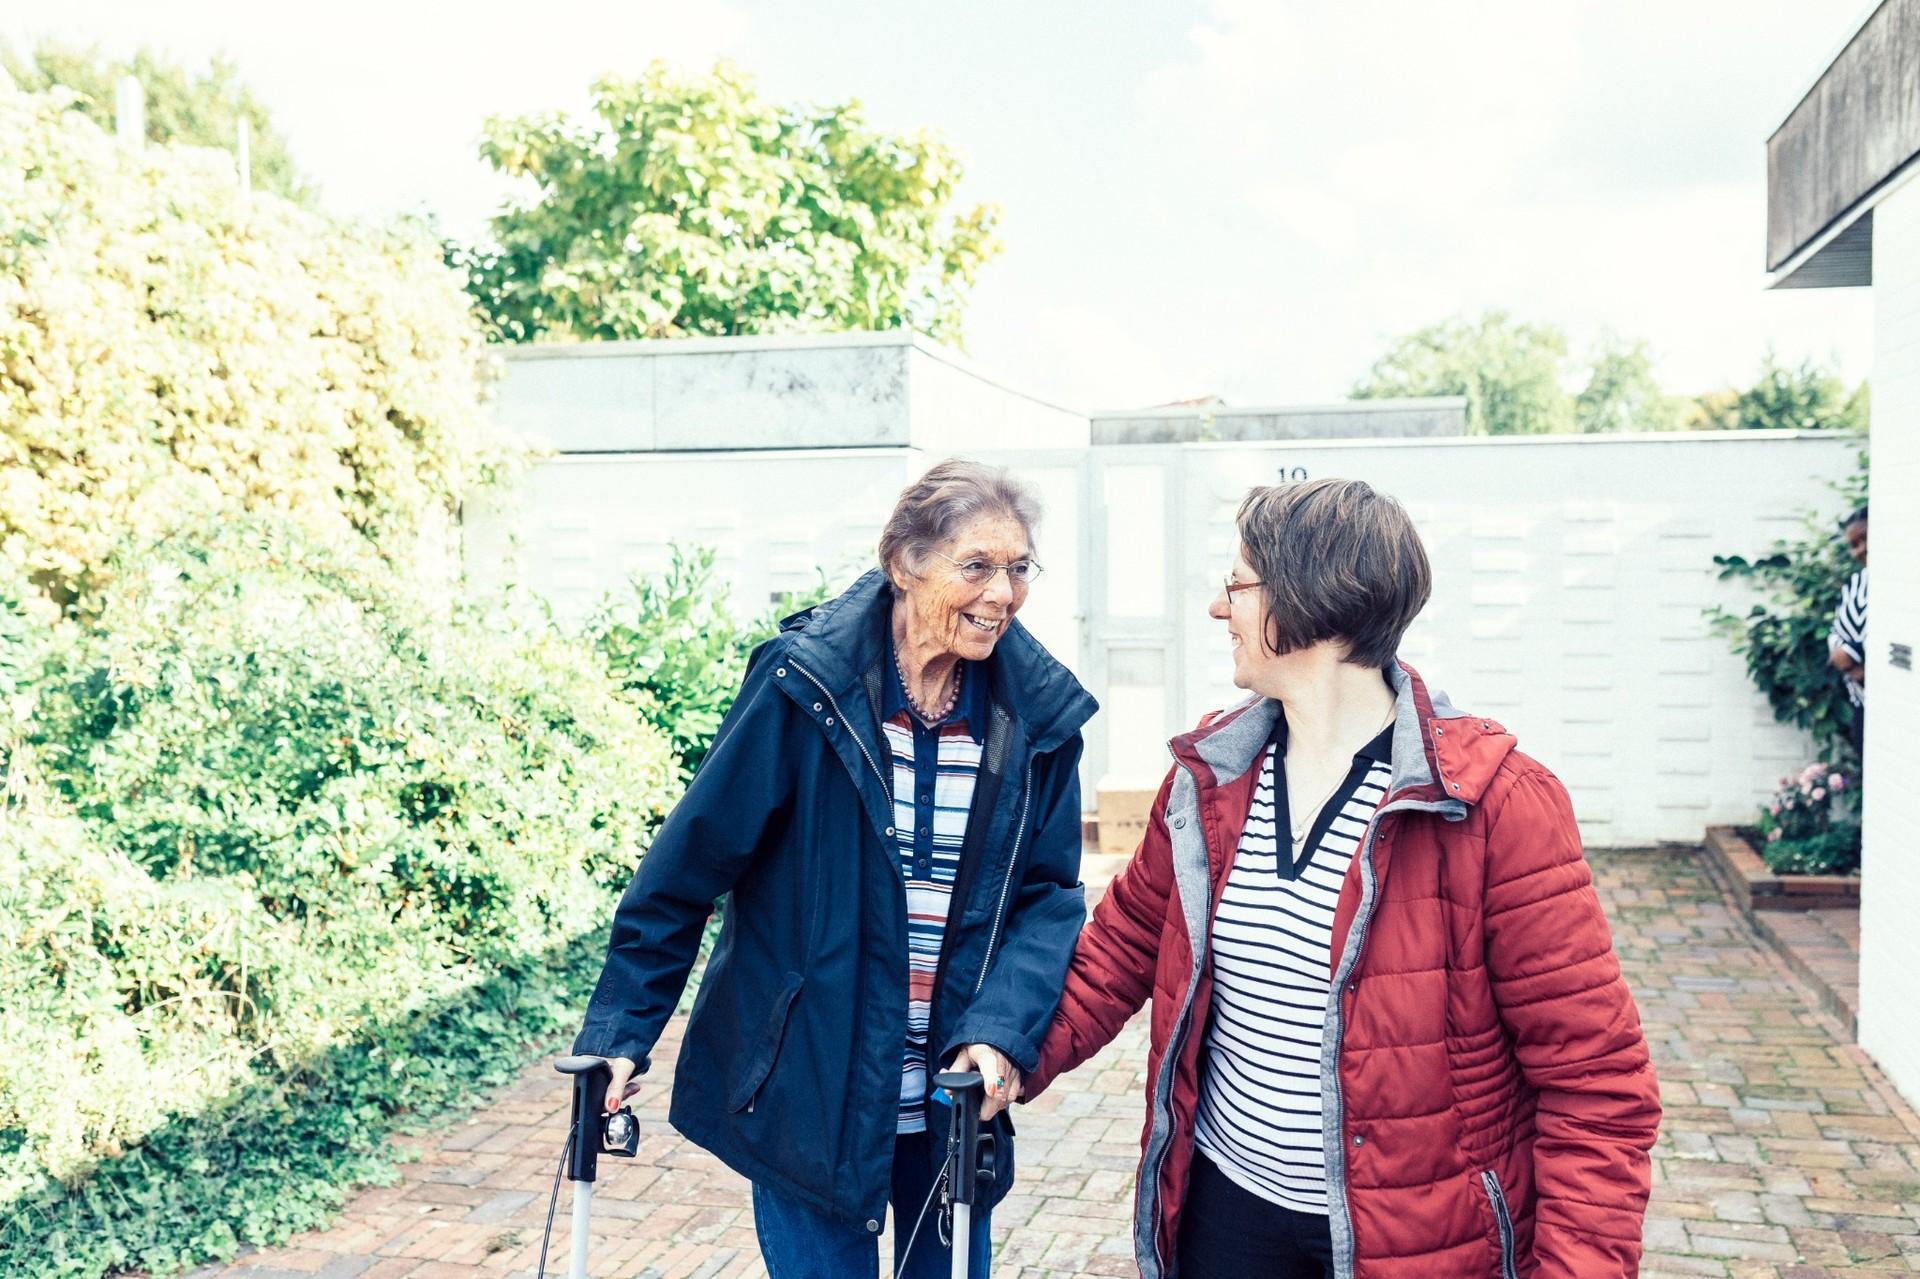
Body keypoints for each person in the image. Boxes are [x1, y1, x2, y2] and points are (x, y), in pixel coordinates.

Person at [1019, 478, 1661, 1278]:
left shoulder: (1495, 805)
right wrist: (1008, 1055)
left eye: (1237, 586)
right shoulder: (1209, 778)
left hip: (1419, 1241)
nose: (1219, 609)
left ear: (1308, 599)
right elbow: (1118, 952)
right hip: (1225, 1219)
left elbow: (1596, 1085)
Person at [571, 459, 1096, 1279]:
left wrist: (1001, 1027)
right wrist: (619, 1033)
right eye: (977, 566)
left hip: (952, 1099)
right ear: (904, 563)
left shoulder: (1034, 718)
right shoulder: (804, 687)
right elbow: (687, 868)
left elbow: (1047, 898)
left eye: (1019, 568)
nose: (1002, 593)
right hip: (810, 1094)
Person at [1828, 505, 1868, 755]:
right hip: (1860, 701)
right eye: (1854, 545)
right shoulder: (1855, 583)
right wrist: (1840, 654)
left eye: (1866, 539)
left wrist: (1853, 652)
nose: (1860, 550)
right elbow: (1837, 629)